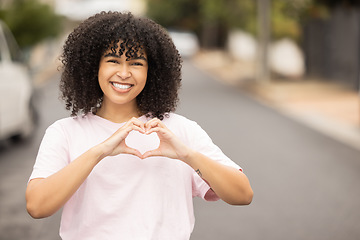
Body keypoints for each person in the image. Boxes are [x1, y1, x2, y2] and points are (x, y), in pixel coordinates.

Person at [26, 11, 253, 240]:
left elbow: (242, 194)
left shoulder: (179, 130)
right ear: (93, 66)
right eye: (113, 61)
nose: (123, 73)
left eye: (136, 63)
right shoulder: (64, 132)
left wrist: (187, 154)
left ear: (151, 72)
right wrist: (99, 151)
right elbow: (37, 206)